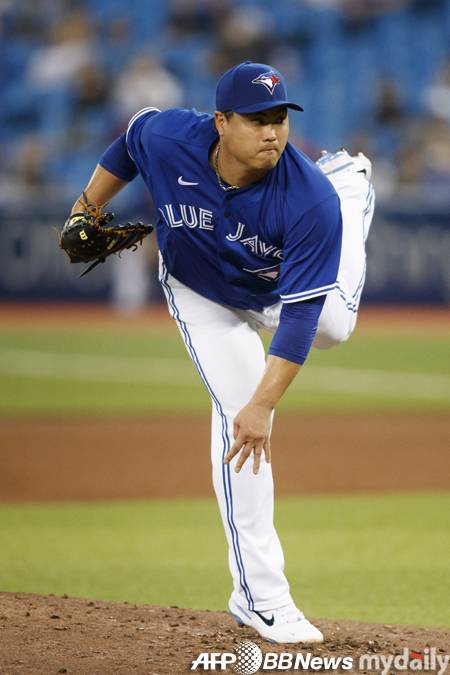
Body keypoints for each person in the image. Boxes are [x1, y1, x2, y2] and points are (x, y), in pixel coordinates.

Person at [67, 61, 374, 644]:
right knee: (238, 420)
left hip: (279, 292)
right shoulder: (171, 137)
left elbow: (300, 320)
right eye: (257, 120)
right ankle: (262, 598)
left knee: (335, 327)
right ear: (221, 123)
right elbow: (130, 140)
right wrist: (85, 209)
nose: (272, 132)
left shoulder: (306, 198)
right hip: (202, 290)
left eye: (279, 119)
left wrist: (265, 404)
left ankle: (351, 190)